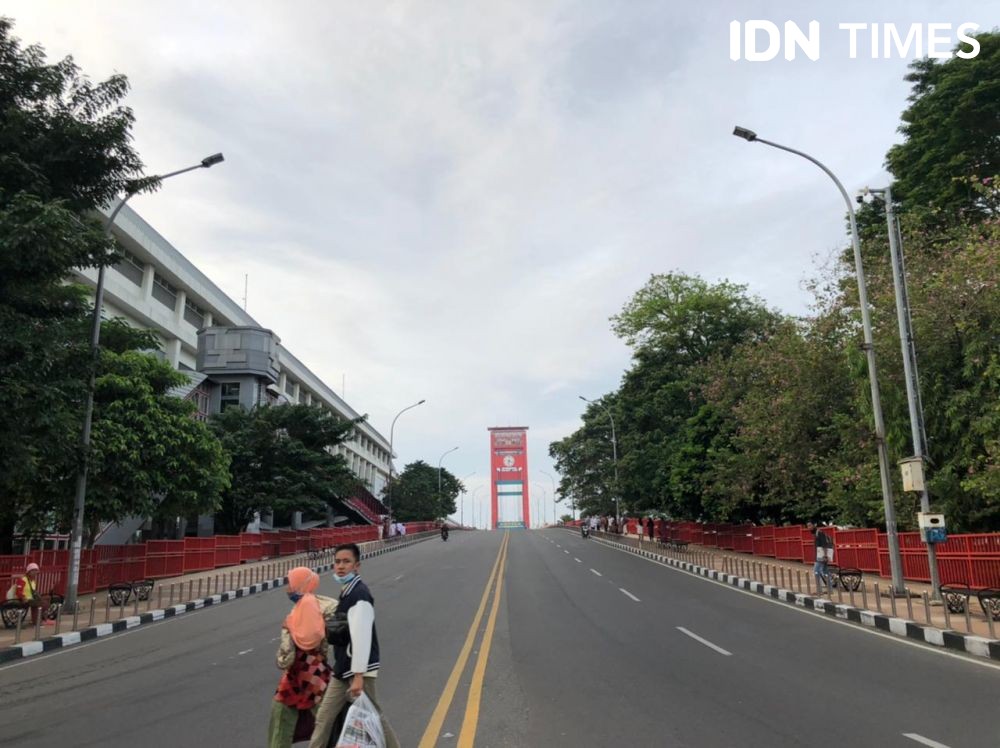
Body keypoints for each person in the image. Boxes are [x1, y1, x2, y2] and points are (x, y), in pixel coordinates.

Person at [309, 544, 400, 748]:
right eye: (338, 562)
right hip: (343, 667)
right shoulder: (347, 591)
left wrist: (358, 676)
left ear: (357, 566)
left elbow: (362, 636)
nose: (341, 566)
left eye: (346, 562)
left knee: (374, 716)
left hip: (358, 670)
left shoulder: (359, 594)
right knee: (324, 717)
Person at [267, 567, 338, 747]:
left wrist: (282, 656)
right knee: (283, 711)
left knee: (322, 718)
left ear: (300, 585)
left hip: (308, 670)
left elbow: (307, 640)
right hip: (302, 671)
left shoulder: (307, 606)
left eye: (290, 584)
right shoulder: (308, 604)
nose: (287, 588)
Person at [6, 562, 48, 626]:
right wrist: (23, 597)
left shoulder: (33, 581)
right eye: (33, 571)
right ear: (28, 571)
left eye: (36, 571)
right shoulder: (23, 579)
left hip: (30, 599)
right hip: (22, 599)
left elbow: (33, 592)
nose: (35, 572)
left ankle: (39, 620)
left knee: (45, 602)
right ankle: (36, 622)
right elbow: (18, 591)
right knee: (41, 604)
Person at [807, 522, 835, 595]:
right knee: (825, 572)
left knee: (816, 571)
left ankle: (819, 590)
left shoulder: (819, 533)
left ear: (814, 525)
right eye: (808, 526)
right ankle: (830, 590)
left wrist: (825, 556)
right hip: (820, 555)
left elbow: (824, 545)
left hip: (821, 556)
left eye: (810, 525)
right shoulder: (816, 533)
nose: (809, 527)